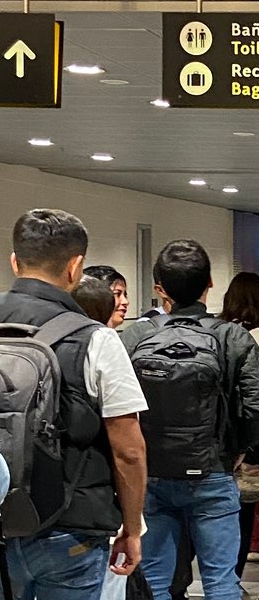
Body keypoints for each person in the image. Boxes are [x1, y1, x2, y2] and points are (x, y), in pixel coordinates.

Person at [0, 209, 148, 599]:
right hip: (69, 525)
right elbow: (127, 449)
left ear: (15, 262)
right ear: (76, 267)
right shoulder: (96, 339)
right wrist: (132, 528)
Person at [121, 240, 259, 600]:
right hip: (212, 472)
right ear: (210, 283)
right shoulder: (231, 336)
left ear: (159, 289)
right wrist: (236, 448)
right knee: (220, 581)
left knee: (155, 580)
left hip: (152, 475)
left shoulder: (136, 336)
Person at [218, 272, 259, 571]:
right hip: (249, 441)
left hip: (215, 440)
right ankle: (233, 579)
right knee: (244, 509)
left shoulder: (216, 331)